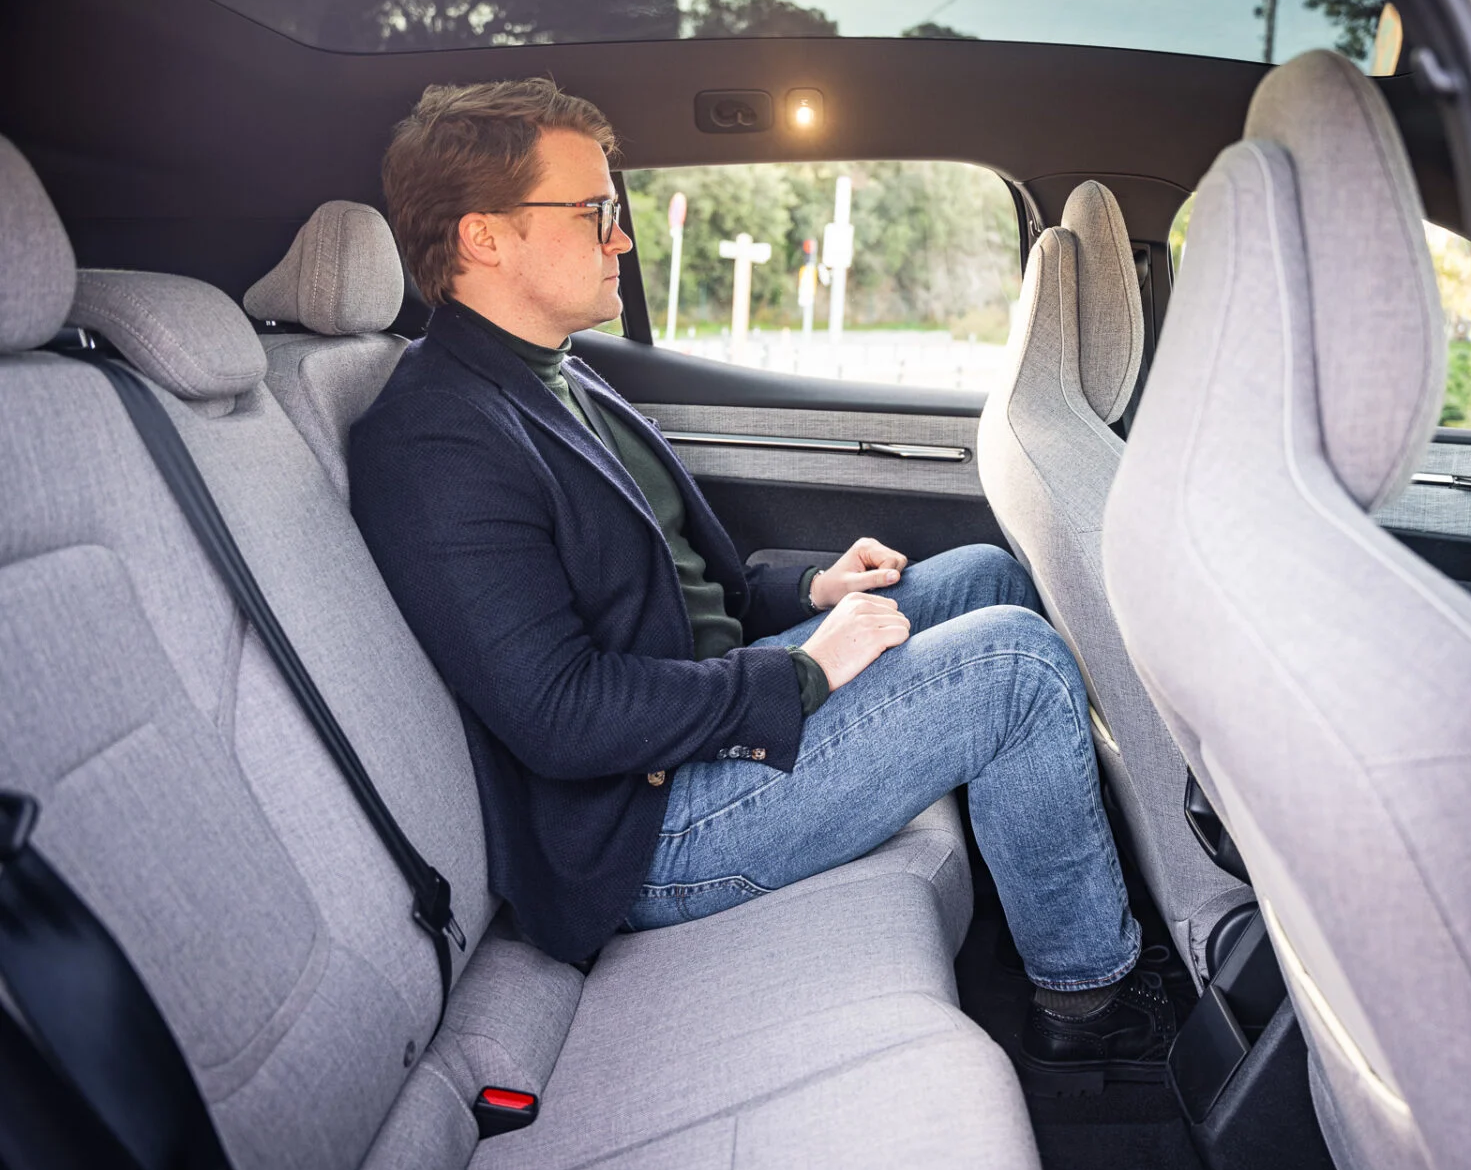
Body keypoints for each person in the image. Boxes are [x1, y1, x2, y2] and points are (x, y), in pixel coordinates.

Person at [349, 77, 1173, 1084]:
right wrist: (803, 673)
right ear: (483, 236)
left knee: (983, 577)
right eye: (595, 212)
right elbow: (561, 714)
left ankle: (1049, 885)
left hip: (693, 727)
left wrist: (814, 591)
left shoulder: (550, 370)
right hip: (646, 827)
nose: (622, 238)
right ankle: (1089, 998)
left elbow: (674, 585)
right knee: (1016, 667)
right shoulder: (436, 436)